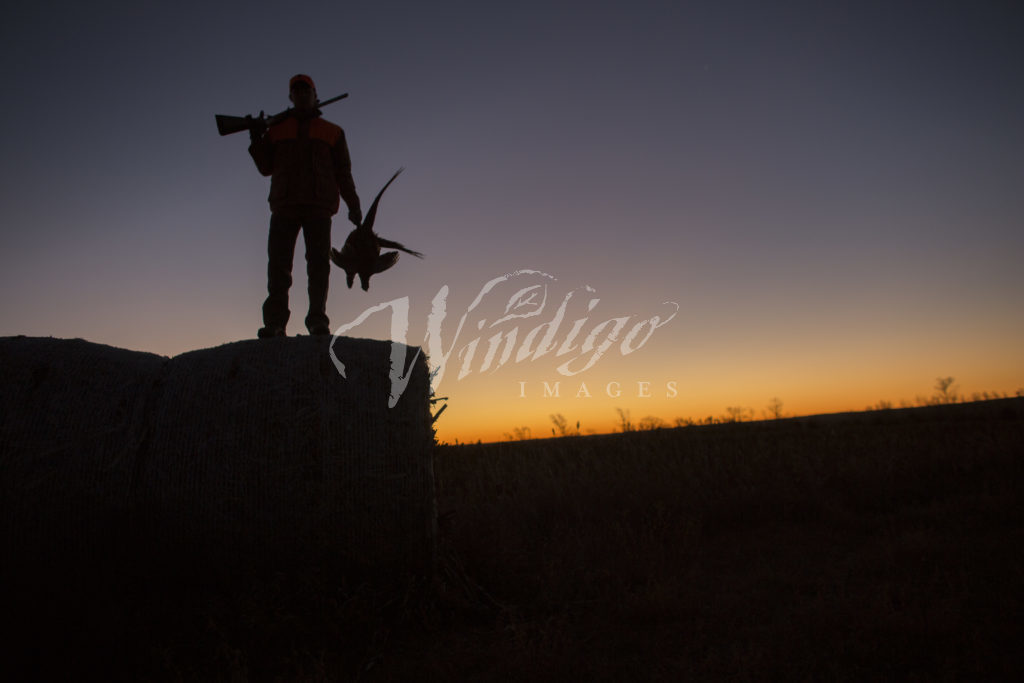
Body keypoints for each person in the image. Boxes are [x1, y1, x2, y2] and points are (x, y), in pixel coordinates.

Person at [248, 74, 362, 338]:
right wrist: (256, 138)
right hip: (284, 205)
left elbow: (343, 173)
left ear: (314, 95)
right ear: (291, 96)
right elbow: (265, 167)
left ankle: (317, 321)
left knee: (319, 267)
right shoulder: (276, 130)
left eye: (306, 90)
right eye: (297, 91)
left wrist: (354, 205)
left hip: (318, 207)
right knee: (278, 267)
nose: (301, 95)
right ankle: (275, 323)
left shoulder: (332, 132)